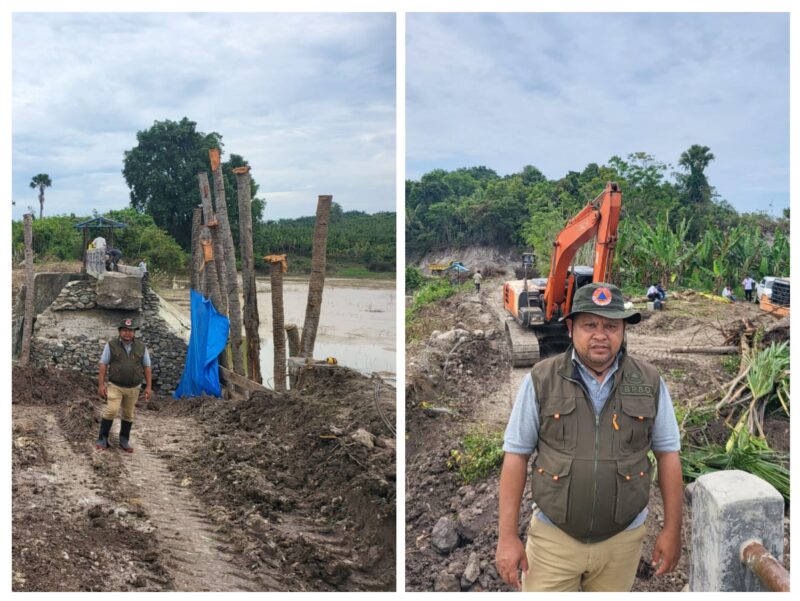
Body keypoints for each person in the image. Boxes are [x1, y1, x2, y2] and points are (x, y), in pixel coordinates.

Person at [496, 283, 682, 592]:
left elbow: (668, 455)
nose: (600, 334)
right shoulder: (542, 380)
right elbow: (516, 455)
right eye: (590, 325)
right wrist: (507, 537)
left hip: (622, 542)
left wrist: (673, 530)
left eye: (611, 325)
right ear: (570, 328)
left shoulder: (649, 381)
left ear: (623, 330)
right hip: (554, 539)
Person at [96, 318, 152, 453]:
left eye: (131, 331)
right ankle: (102, 438)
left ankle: (124, 440)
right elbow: (103, 364)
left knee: (128, 414)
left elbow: (147, 366)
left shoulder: (141, 347)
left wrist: (149, 387)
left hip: (134, 387)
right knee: (112, 410)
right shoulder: (111, 345)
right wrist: (101, 385)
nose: (128, 333)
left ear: (134, 333)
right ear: (120, 332)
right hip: (115, 385)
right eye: (125, 330)